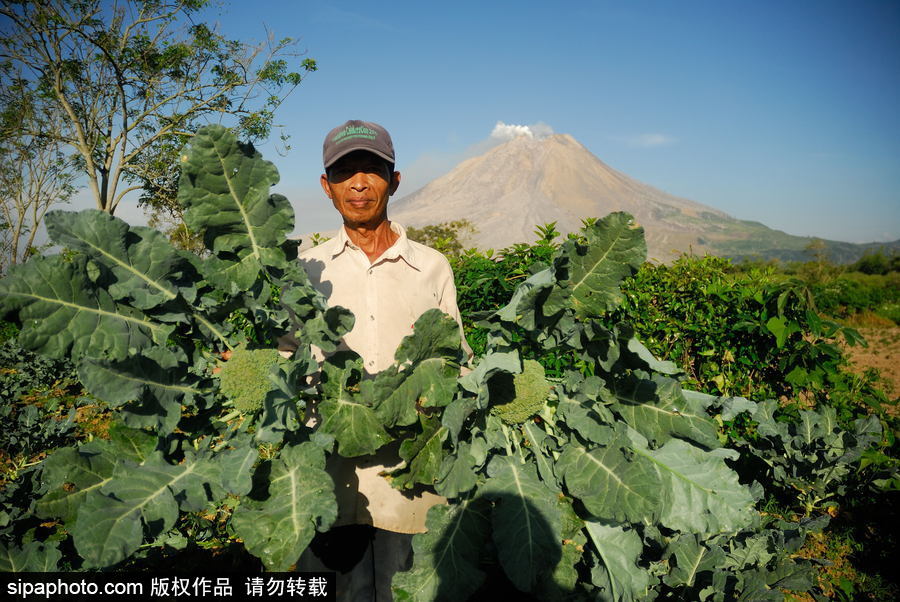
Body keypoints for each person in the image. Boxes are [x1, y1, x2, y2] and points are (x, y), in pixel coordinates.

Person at [289, 120, 471, 601]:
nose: (359, 183)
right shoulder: (306, 268)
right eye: (345, 172)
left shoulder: (432, 266)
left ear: (395, 180)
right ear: (327, 188)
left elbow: (455, 360)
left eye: (372, 169)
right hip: (325, 477)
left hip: (407, 481)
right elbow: (284, 360)